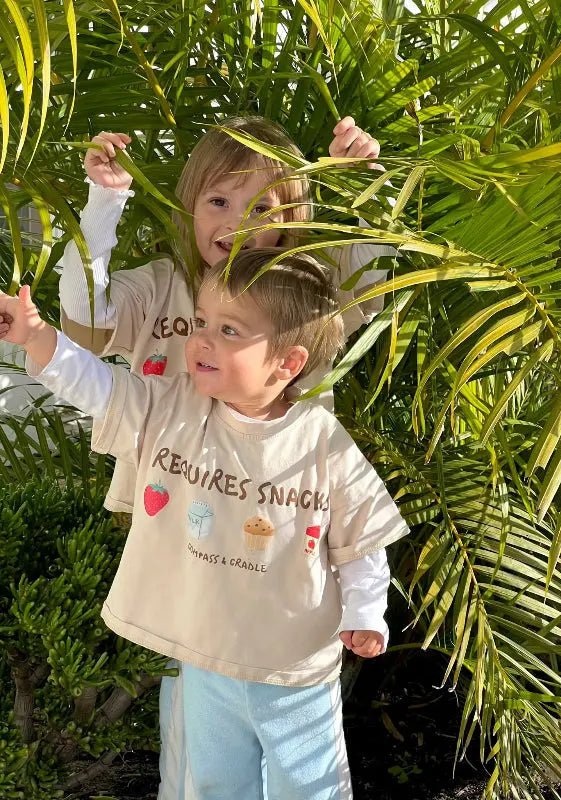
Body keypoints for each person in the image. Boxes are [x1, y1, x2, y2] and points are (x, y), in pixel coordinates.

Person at [58, 114, 394, 797]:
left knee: (293, 737)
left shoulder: (303, 293)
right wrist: (103, 205)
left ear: (295, 217)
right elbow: (83, 320)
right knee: (200, 723)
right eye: (219, 200)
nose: (238, 222)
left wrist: (361, 189)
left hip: (278, 541)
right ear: (190, 206)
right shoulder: (160, 287)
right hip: (180, 524)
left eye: (264, 207)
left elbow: (372, 291)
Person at [0, 249, 409, 800]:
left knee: (307, 786)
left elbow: (361, 538)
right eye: (200, 322)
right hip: (209, 652)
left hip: (291, 666)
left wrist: (365, 612)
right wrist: (37, 338)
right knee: (216, 782)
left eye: (229, 330)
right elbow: (99, 386)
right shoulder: (173, 408)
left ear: (287, 363)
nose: (201, 339)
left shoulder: (319, 441)